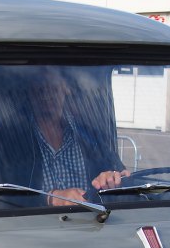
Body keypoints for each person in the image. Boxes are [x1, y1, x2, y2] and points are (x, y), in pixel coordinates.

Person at [25, 69, 128, 206]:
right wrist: (52, 198)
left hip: (92, 223)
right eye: (40, 86)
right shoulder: (11, 140)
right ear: (29, 92)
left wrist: (112, 177)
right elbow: (3, 194)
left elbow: (120, 177)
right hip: (31, 225)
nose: (47, 92)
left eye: (53, 85)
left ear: (66, 87)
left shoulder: (91, 137)